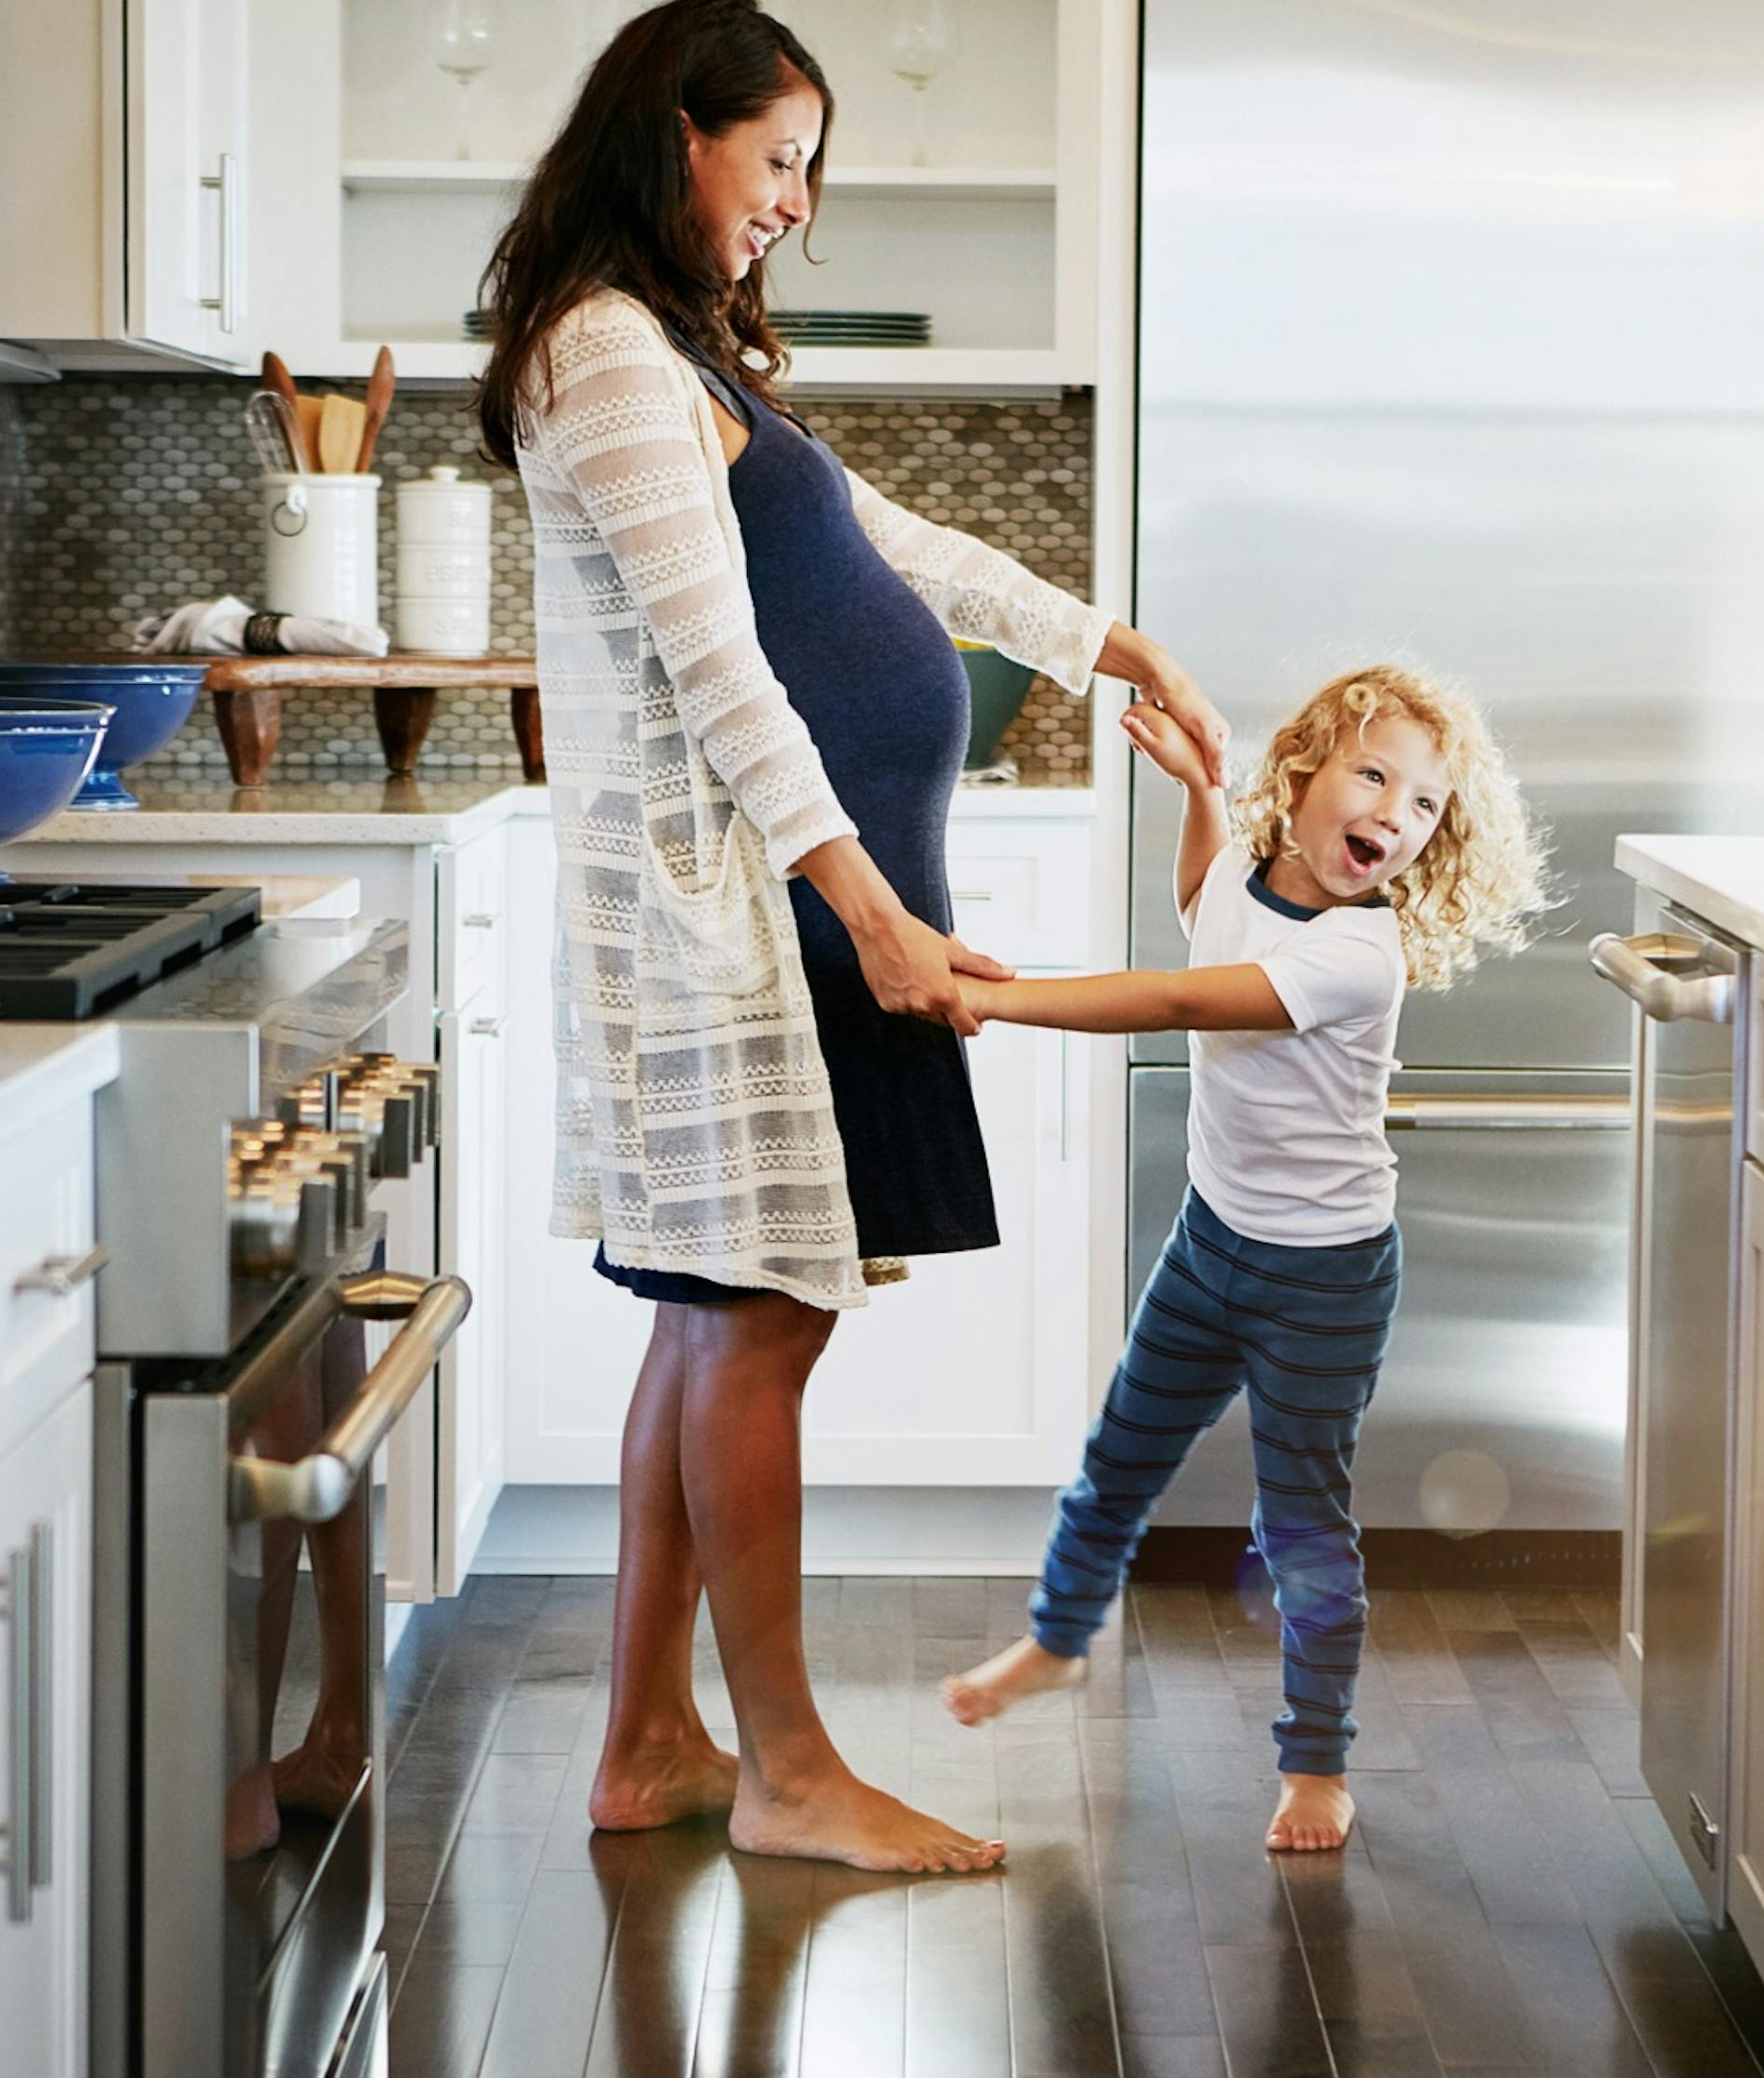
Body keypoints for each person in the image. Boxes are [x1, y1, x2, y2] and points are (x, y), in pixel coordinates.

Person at [476, 0, 1229, 1875]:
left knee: (716, 1318)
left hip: (789, 908)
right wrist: (875, 912)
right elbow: (717, 675)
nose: (799, 205)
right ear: (678, 132)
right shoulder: (605, 358)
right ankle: (792, 1769)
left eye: (814, 167)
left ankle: (653, 1741)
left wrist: (1102, 641)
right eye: (780, 156)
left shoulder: (668, 354)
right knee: (759, 1316)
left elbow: (878, 545)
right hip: (752, 922)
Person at [937, 665, 1550, 1852]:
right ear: (1307, 769)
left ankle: (1315, 1761)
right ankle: (1058, 1643)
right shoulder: (1255, 878)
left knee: (1300, 1525)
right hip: (1211, 1238)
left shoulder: (1363, 956)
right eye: (1373, 774)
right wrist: (1199, 792)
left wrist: (998, 1001)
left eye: (1425, 805)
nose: (1393, 813)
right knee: (1119, 1458)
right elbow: (1201, 907)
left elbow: (1175, 998)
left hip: (1324, 1274)